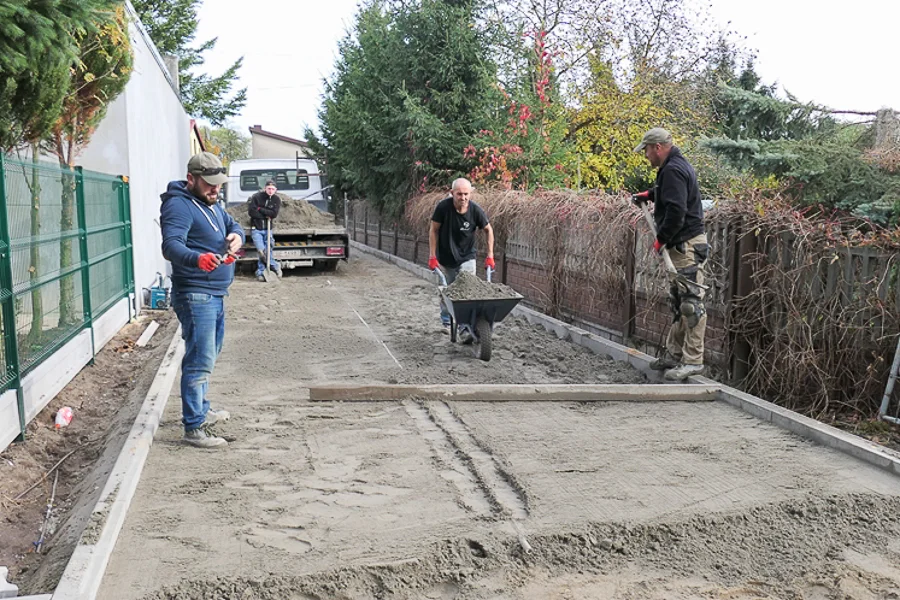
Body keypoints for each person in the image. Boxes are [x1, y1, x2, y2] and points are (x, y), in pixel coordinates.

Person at [160, 152, 245, 448]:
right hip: (196, 293)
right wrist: (198, 259)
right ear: (191, 180)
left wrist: (237, 237)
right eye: (209, 184)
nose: (215, 189)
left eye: (219, 184)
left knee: (208, 355)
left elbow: (232, 224)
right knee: (199, 360)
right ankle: (194, 427)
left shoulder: (210, 205)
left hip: (215, 293)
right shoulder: (179, 206)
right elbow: (171, 246)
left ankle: (201, 407)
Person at [633, 128, 709, 381]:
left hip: (686, 246)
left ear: (657, 147)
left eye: (646, 150)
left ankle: (693, 360)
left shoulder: (674, 169)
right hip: (681, 245)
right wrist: (651, 194)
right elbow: (671, 195)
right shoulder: (671, 168)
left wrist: (661, 239)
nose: (645, 155)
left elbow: (677, 210)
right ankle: (674, 355)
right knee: (678, 302)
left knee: (691, 302)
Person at [428, 178, 495, 332]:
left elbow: (488, 230)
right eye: (459, 194)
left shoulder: (475, 210)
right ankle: (446, 319)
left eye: (466, 194)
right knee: (449, 291)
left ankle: (465, 325)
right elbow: (433, 230)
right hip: (446, 257)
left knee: (466, 289)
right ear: (452, 193)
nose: (463, 198)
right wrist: (432, 256)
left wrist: (490, 255)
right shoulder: (443, 208)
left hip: (467, 256)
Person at [248, 179, 283, 281]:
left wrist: (260, 209)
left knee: (268, 249)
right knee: (261, 251)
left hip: (268, 229)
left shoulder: (276, 199)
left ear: (275, 190)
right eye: (269, 189)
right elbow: (252, 212)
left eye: (272, 189)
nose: (270, 191)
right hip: (257, 229)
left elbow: (274, 214)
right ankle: (275, 266)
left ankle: (261, 271)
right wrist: (266, 214)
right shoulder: (257, 197)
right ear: (265, 189)